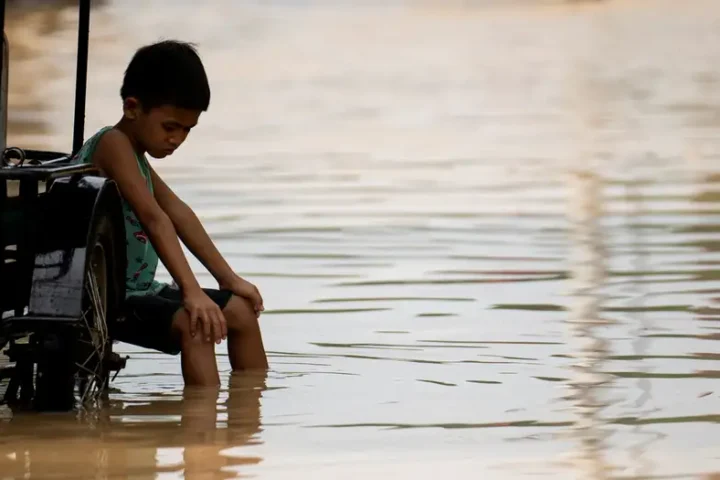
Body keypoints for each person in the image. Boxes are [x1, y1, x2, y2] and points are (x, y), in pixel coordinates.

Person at [72, 40, 268, 386]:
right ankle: (202, 433)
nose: (177, 139)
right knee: (198, 324)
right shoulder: (113, 144)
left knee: (240, 311)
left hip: (141, 288)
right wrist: (191, 291)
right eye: (170, 127)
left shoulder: (136, 154)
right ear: (132, 108)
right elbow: (154, 218)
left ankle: (250, 414)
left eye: (187, 130)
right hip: (108, 297)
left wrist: (228, 278)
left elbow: (177, 212)